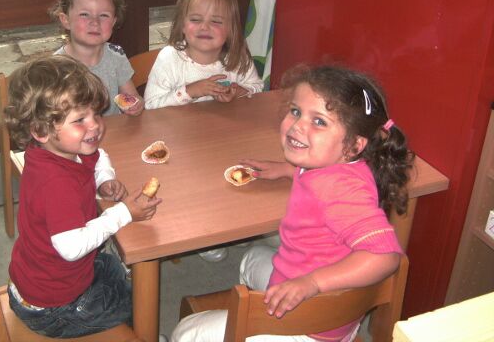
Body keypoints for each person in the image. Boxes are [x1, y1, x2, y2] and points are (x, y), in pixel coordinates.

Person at [171, 64, 414, 342]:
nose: (298, 125)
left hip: (309, 327)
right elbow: (321, 180)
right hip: (323, 305)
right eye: (296, 112)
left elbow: (385, 256)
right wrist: (288, 170)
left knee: (186, 332)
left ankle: (259, 326)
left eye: (319, 121)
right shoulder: (339, 165)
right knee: (251, 258)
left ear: (353, 146)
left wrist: (312, 283)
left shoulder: (341, 190)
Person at [5, 55, 161, 338]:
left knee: (111, 265)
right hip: (52, 306)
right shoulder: (54, 183)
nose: (95, 126)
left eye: (96, 114)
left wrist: (105, 180)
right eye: (80, 120)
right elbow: (72, 247)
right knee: (136, 301)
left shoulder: (61, 149)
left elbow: (99, 155)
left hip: (44, 276)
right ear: (40, 130)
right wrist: (123, 213)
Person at [144, 0, 263, 109]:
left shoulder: (238, 58)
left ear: (230, 30)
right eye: (195, 19)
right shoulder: (169, 58)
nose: (205, 27)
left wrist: (239, 92)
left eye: (216, 21)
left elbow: (257, 88)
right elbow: (151, 105)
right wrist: (189, 92)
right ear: (182, 25)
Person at [50, 0, 144, 116]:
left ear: (113, 22)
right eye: (84, 14)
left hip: (114, 128)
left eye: (104, 15)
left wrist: (137, 105)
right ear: (66, 20)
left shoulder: (116, 56)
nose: (95, 22)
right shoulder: (56, 68)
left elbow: (133, 97)